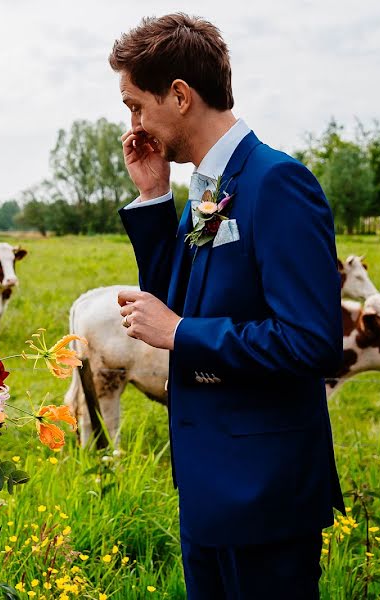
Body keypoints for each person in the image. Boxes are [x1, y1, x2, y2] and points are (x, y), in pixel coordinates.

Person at [109, 15, 343, 599]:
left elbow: (311, 342)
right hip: (207, 486)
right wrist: (153, 196)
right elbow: (174, 299)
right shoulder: (207, 189)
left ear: (181, 96)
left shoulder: (277, 182)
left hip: (264, 493)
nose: (133, 123)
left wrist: (184, 333)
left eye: (136, 105)